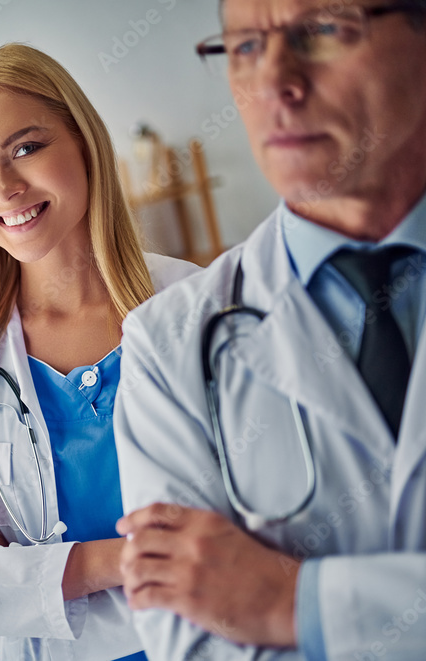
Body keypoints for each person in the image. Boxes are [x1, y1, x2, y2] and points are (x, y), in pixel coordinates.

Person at [114, 1, 426, 659]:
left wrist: (296, 604)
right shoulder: (169, 345)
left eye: (324, 30)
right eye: (248, 46)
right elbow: (192, 642)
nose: (276, 83)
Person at [0, 43, 198, 660]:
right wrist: (112, 562)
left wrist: (25, 577)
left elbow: (262, 517)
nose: (3, 187)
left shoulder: (194, 307)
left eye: (26, 148)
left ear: (84, 143)